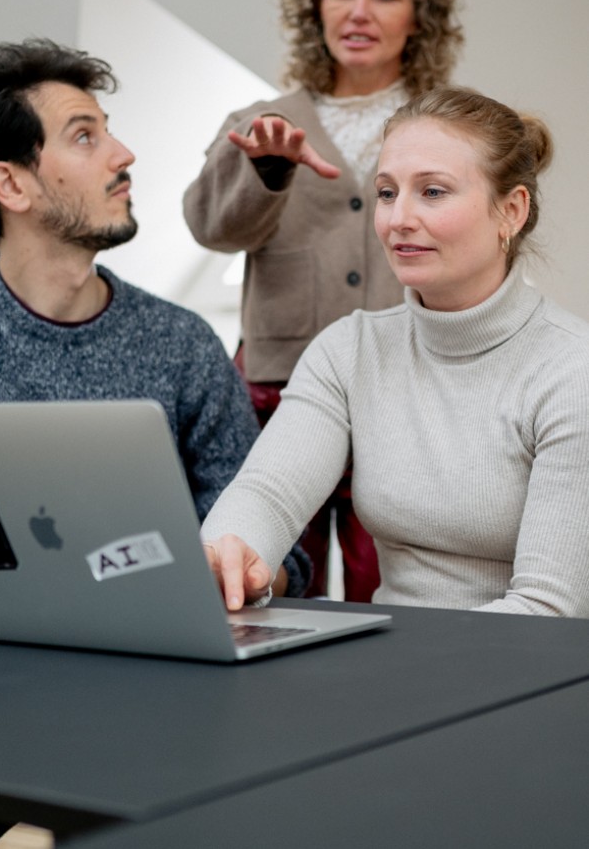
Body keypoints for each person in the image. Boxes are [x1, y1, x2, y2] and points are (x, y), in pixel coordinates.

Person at [0, 38, 310, 602]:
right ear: (11, 185)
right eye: (84, 137)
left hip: (141, 641)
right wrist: (55, 556)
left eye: (107, 131)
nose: (123, 155)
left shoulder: (182, 343)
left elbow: (277, 555)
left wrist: (240, 566)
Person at [201, 85, 589, 619]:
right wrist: (228, 554)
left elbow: (548, 608)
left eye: (432, 191)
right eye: (387, 193)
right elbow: (268, 493)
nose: (398, 218)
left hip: (521, 656)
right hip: (394, 652)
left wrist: (406, 661)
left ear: (511, 211)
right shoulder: (349, 349)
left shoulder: (571, 370)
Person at [183, 0, 464, 602]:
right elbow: (211, 226)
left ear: (419, 16)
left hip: (407, 395)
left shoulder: (452, 128)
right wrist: (267, 172)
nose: (358, 11)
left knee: (395, 594)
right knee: (269, 585)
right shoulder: (258, 123)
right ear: (315, 6)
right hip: (277, 397)